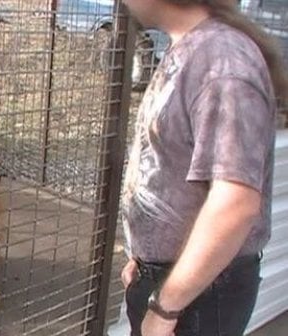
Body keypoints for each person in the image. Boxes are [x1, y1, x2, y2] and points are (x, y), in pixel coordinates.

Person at [119, 0, 288, 335]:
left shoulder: (222, 62)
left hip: (198, 298)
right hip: (173, 281)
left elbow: (235, 203)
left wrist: (166, 306)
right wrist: (143, 256)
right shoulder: (192, 48)